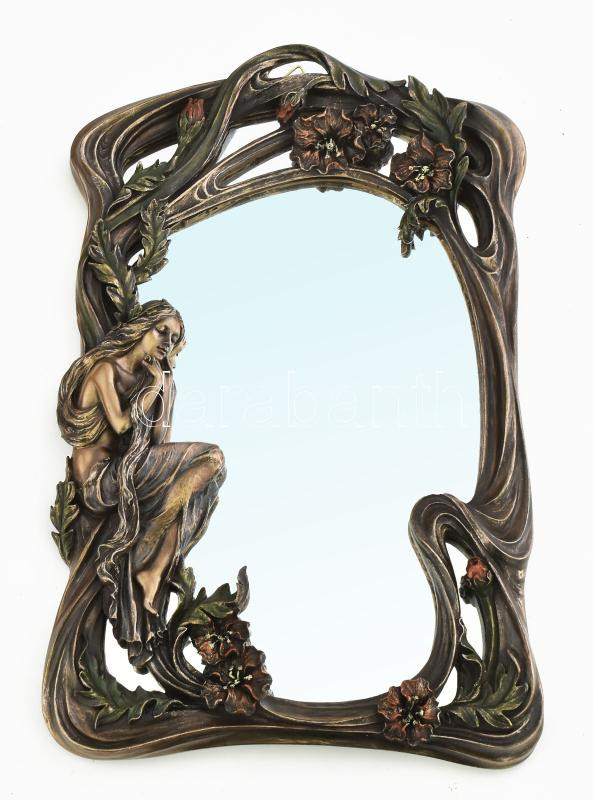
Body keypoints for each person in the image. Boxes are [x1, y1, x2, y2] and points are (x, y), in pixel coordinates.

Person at [57, 299, 226, 670]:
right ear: (141, 328)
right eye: (161, 331)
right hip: (100, 481)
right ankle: (149, 539)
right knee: (211, 458)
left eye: (174, 339)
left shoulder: (153, 377)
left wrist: (166, 387)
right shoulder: (106, 369)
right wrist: (152, 385)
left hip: (127, 470)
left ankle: (152, 569)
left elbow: (158, 443)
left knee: (205, 481)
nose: (167, 341)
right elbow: (120, 425)